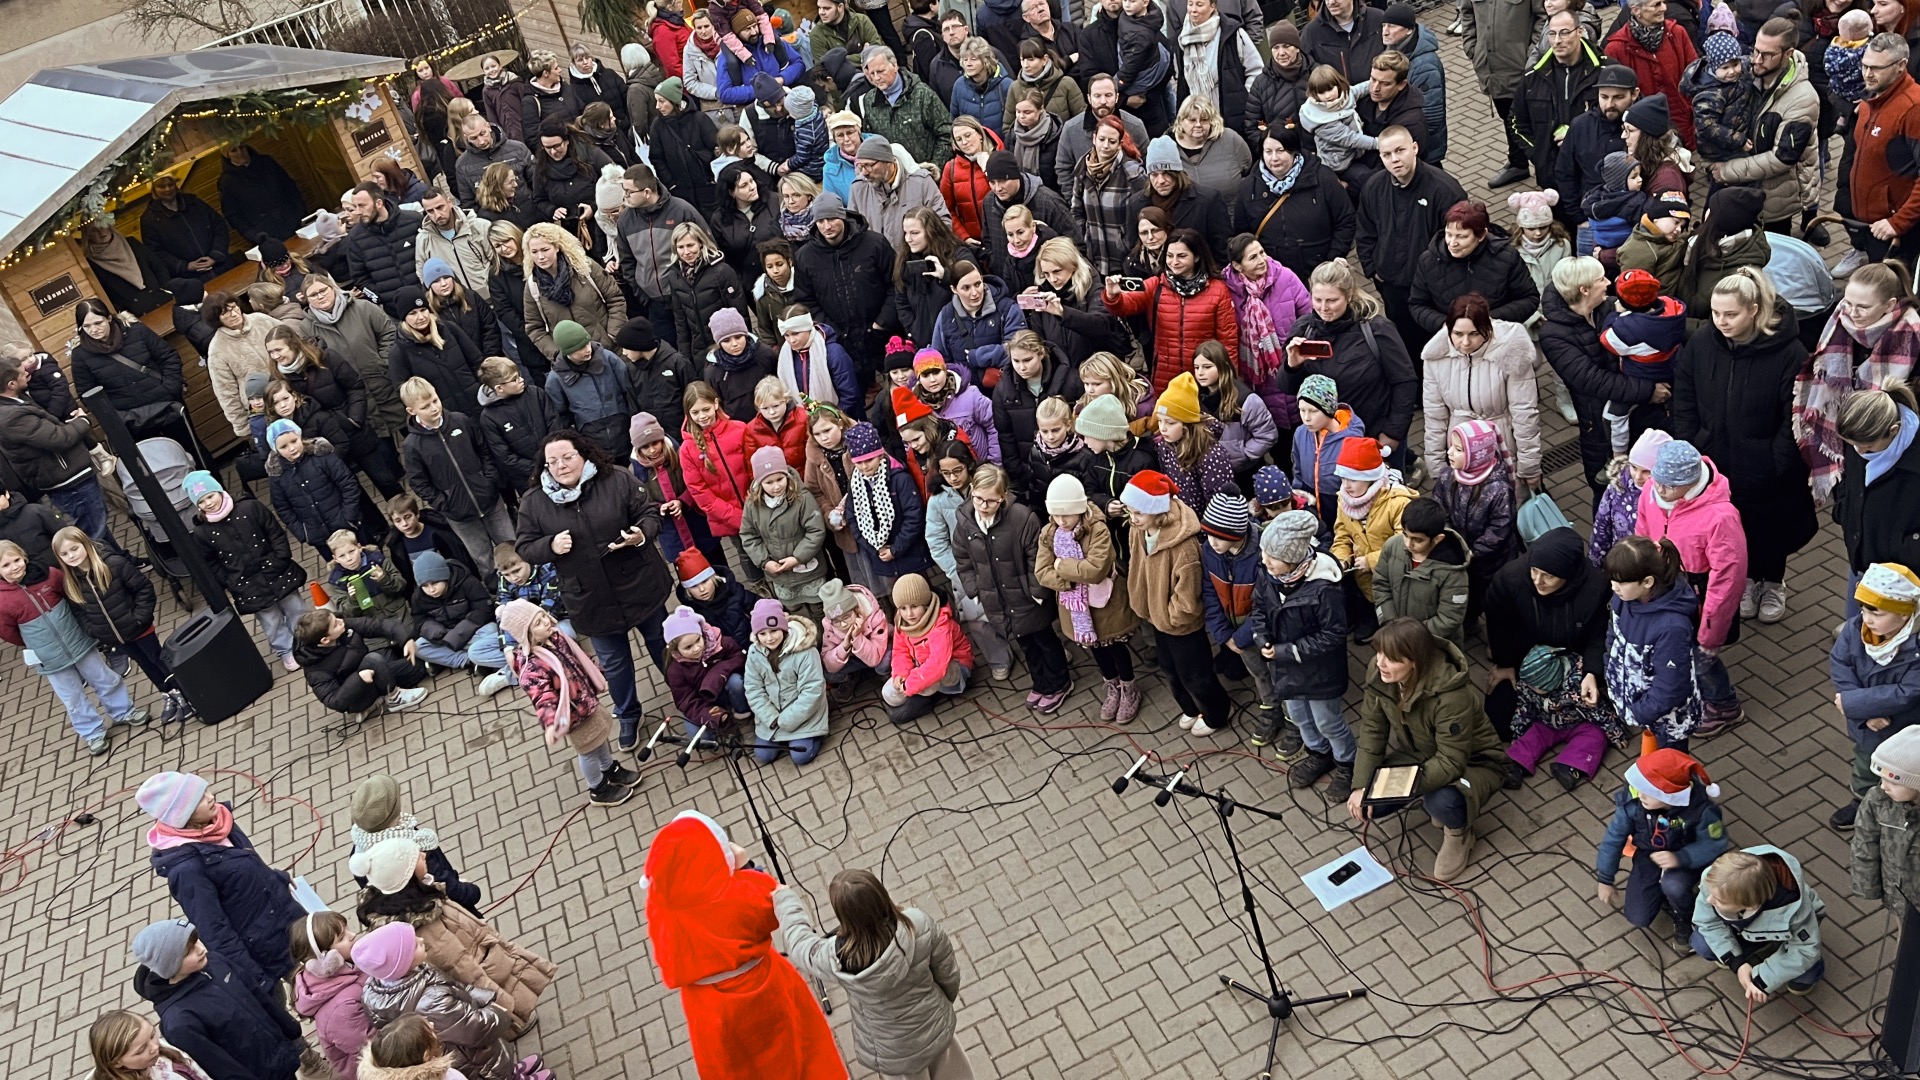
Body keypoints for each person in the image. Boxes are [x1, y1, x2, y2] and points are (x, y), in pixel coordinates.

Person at [641, 811, 846, 1077]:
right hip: (761, 992)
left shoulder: (661, 908)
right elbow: (772, 896)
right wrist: (742, 860)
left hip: (707, 1008)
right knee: (791, 1050)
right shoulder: (740, 894)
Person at [1671, 267, 1815, 624]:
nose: (1721, 321)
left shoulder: (1790, 353)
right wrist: (1693, 443)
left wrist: (1777, 460)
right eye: (1716, 313)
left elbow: (1794, 414)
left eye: (1730, 314)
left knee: (1771, 526)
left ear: (1753, 310)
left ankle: (1774, 581)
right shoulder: (1703, 342)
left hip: (1764, 465)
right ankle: (1748, 580)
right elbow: (1685, 393)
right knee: (1733, 530)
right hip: (1715, 462)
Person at [516, 430, 672, 749]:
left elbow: (650, 513)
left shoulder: (616, 478)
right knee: (614, 664)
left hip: (640, 583)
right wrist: (549, 545)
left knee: (663, 645)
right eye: (553, 461)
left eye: (568, 457)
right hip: (590, 598)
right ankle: (628, 713)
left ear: (583, 454)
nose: (561, 466)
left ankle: (687, 693)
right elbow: (524, 546)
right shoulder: (534, 502)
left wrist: (640, 534)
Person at [774, 869, 973, 1079]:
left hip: (893, 1052)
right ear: (881, 896)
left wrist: (785, 898)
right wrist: (944, 1002)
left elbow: (800, 946)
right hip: (935, 1028)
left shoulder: (837, 958)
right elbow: (947, 970)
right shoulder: (917, 924)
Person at [1635, 440, 1748, 737]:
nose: (1658, 490)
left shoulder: (1721, 517)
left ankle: (1724, 706)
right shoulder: (1653, 490)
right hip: (1666, 587)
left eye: (1668, 487)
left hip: (1700, 598)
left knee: (1701, 660)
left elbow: (1727, 580)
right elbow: (1643, 532)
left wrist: (1711, 635)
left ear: (1689, 483)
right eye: (1657, 481)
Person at [1539, 256, 1671, 506]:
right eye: (1601, 279)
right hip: (1598, 426)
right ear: (1584, 289)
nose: (1608, 282)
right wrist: (1647, 390)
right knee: (1608, 495)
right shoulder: (1554, 334)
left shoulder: (1611, 306)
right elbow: (1589, 380)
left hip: (1642, 415)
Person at [0, 538, 149, 754]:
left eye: (16, 560)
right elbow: (8, 632)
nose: (14, 567)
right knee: (72, 697)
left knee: (104, 678)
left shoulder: (49, 575)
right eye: (5, 565)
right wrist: (36, 644)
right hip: (50, 657)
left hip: (80, 642)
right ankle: (92, 732)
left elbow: (72, 595)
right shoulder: (3, 601)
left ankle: (124, 711)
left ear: (24, 556)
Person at [1122, 469, 1234, 734]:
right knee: (1170, 669)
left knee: (1196, 675)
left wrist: (1171, 616)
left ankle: (1216, 713)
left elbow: (1188, 593)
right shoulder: (1138, 531)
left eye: (1139, 513)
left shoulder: (1184, 546)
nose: (1133, 519)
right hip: (1157, 616)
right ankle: (1192, 708)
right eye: (1130, 512)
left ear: (1158, 511)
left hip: (1181, 625)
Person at [1283, 258, 1419, 472]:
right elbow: (1286, 389)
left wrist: (1393, 433)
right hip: (1329, 443)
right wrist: (1292, 366)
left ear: (1348, 296)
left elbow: (1405, 381)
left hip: (1373, 437)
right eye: (1317, 300)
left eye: (1332, 300)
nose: (1323, 308)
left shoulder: (1377, 330)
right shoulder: (1303, 330)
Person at [127, 923, 302, 1080]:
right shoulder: (179, 1021)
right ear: (169, 965)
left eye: (197, 940)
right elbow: (220, 1067)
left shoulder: (215, 962)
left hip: (281, 1057)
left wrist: (289, 1027)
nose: (201, 949)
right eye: (189, 952)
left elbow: (257, 994)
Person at [1594, 748, 1730, 947]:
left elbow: (1715, 843)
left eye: (1649, 792)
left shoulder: (1701, 810)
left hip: (1686, 860)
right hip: (1648, 857)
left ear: (1670, 794)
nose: (1641, 795)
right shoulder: (1633, 805)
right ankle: (1664, 892)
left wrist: (1680, 858)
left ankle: (1686, 915)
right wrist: (1605, 878)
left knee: (1674, 885)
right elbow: (1613, 839)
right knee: (1638, 917)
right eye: (1640, 788)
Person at [1354, 127, 1470, 360]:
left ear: (1414, 148)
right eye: (1387, 154)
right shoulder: (1374, 187)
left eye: (1400, 150)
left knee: (1439, 348)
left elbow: (1460, 242)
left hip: (1434, 292)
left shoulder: (1445, 190)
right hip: (1393, 288)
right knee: (1405, 348)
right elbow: (1365, 231)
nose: (1395, 159)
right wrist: (1373, 269)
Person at [1829, 563, 1920, 829]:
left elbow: (1909, 691)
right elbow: (1840, 662)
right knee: (1864, 765)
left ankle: (1905, 810)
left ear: (1904, 615)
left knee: (1904, 774)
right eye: (1864, 608)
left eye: (1876, 612)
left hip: (1904, 728)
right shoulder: (1856, 629)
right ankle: (1862, 801)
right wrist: (1864, 710)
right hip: (1869, 728)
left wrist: (1853, 703)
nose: (1866, 618)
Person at [1421, 293, 1542, 489]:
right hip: (1458, 450)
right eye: (1458, 334)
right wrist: (1436, 467)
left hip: (1501, 446)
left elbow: (1525, 414)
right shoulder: (1436, 357)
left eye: (1474, 334)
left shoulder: (1511, 351)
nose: (1465, 343)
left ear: (1487, 329)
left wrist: (1529, 467)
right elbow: (1434, 416)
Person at [399, 378, 512, 574]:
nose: (434, 408)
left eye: (435, 400)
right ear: (411, 411)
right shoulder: (412, 445)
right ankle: (497, 593)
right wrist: (444, 503)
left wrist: (489, 480)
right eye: (425, 406)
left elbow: (483, 450)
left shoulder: (461, 420)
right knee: (483, 558)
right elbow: (418, 482)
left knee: (512, 545)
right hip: (459, 514)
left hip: (490, 500)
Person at [1103, 229, 1238, 393]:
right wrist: (1112, 295)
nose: (1174, 262)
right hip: (1165, 376)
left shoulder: (1218, 290)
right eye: (1169, 256)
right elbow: (1126, 305)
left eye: (1182, 256)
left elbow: (1228, 341)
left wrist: (1230, 380)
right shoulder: (1157, 285)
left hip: (1203, 376)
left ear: (1197, 257)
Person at [1692, 846, 1828, 1000]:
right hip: (1749, 929)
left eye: (1719, 900)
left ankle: (1804, 967)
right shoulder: (1716, 882)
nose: (1709, 900)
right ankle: (1753, 947)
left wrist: (1762, 979)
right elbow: (1707, 922)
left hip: (1784, 931)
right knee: (1702, 943)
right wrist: (1736, 962)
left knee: (1805, 975)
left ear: (1751, 905)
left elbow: (1805, 949)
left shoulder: (1795, 913)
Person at [1235, 126, 1355, 288]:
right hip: (1272, 275)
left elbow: (1345, 220)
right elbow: (1241, 233)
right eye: (1268, 151)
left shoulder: (1323, 178)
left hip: (1318, 272)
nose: (1274, 158)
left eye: (1281, 150)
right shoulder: (1249, 187)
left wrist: (1331, 258)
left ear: (1293, 151)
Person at [1845, 34, 1920, 270]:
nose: (1867, 74)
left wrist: (1899, 222)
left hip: (1898, 232)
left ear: (1900, 66)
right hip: (1871, 225)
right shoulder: (1873, 97)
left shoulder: (1913, 108)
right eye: (1865, 65)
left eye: (1877, 68)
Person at [1461, 0, 1544, 186]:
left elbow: (1543, 16)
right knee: (1506, 114)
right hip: (1491, 67)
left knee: (1529, 119)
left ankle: (1544, 166)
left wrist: (1532, 53)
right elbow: (1466, 12)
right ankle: (1518, 162)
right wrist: (1472, 47)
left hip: (1521, 66)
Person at [1604, 0, 1700, 149]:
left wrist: (1689, 108)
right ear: (1636, 11)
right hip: (1646, 134)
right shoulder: (1615, 49)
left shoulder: (1678, 33)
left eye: (1663, 2)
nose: (1664, 8)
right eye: (1656, 4)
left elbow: (1696, 74)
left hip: (1683, 122)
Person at [288, 911, 371, 1080]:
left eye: (347, 929)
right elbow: (376, 1045)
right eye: (341, 938)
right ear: (326, 960)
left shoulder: (349, 964)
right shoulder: (340, 1012)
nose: (353, 935)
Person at [1853, 724, 1920, 906]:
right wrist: (1867, 886)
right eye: (1881, 779)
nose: (1883, 786)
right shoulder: (1877, 800)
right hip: (1899, 897)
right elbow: (1864, 842)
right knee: (1906, 933)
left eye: (1894, 782)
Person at [857, 46, 955, 166]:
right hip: (894, 178)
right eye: (872, 73)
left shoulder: (922, 94)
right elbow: (873, 142)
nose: (876, 78)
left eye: (881, 71)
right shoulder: (870, 101)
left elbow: (947, 134)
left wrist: (934, 167)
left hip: (928, 176)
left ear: (894, 66)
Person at [343, 185, 426, 316]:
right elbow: (359, 277)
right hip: (395, 312)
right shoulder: (355, 238)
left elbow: (433, 254)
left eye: (362, 205)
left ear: (379, 203)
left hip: (430, 301)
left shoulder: (413, 221)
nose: (358, 211)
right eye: (355, 206)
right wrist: (379, 296)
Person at [140, 175, 234, 280]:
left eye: (170, 185)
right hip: (190, 278)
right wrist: (184, 266)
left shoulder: (194, 203)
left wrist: (215, 255)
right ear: (154, 190)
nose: (167, 189)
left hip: (221, 266)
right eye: (161, 186)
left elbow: (219, 226)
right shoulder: (149, 219)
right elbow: (155, 251)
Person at [87, 1009, 214, 1080]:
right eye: (141, 1050)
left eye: (152, 1035)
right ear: (116, 1062)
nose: (154, 1047)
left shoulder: (156, 1050)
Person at [1301, 0, 1388, 84]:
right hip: (1338, 97)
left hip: (1379, 93)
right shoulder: (1311, 32)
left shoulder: (1377, 19)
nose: (1331, 2)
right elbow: (1307, 67)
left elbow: (1393, 52)